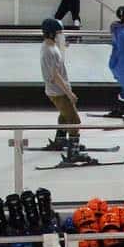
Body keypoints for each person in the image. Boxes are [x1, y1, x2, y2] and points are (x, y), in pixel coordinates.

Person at [40, 18, 83, 153]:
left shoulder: (49, 47)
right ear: (52, 33)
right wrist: (69, 93)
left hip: (56, 90)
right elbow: (55, 75)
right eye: (59, 32)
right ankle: (74, 148)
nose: (61, 35)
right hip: (58, 91)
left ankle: (60, 140)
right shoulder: (50, 51)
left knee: (64, 115)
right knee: (74, 119)